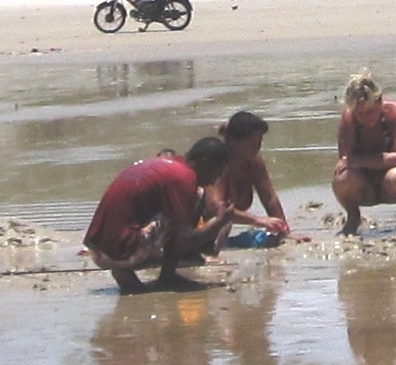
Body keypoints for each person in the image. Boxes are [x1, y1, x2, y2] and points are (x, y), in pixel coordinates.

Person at [84, 137, 235, 292]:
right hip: (119, 253)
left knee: (172, 215)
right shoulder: (184, 178)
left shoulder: (170, 164)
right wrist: (220, 221)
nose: (213, 182)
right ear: (205, 163)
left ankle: (124, 274)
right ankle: (167, 279)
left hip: (98, 249)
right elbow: (183, 241)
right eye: (215, 174)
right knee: (195, 200)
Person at [332, 71, 396, 234]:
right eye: (360, 114)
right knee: (343, 177)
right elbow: (346, 161)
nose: (366, 118)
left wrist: (360, 160)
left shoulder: (395, 110)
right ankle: (353, 216)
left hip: (392, 183)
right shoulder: (349, 117)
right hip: (364, 185)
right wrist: (355, 161)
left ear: (379, 102)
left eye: (370, 112)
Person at [206, 110, 292, 244]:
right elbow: (214, 208)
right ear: (234, 141)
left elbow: (270, 199)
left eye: (259, 142)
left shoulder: (254, 161)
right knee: (223, 222)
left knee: (273, 240)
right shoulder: (218, 162)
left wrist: (284, 231)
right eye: (252, 143)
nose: (257, 147)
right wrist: (257, 220)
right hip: (197, 229)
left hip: (220, 233)